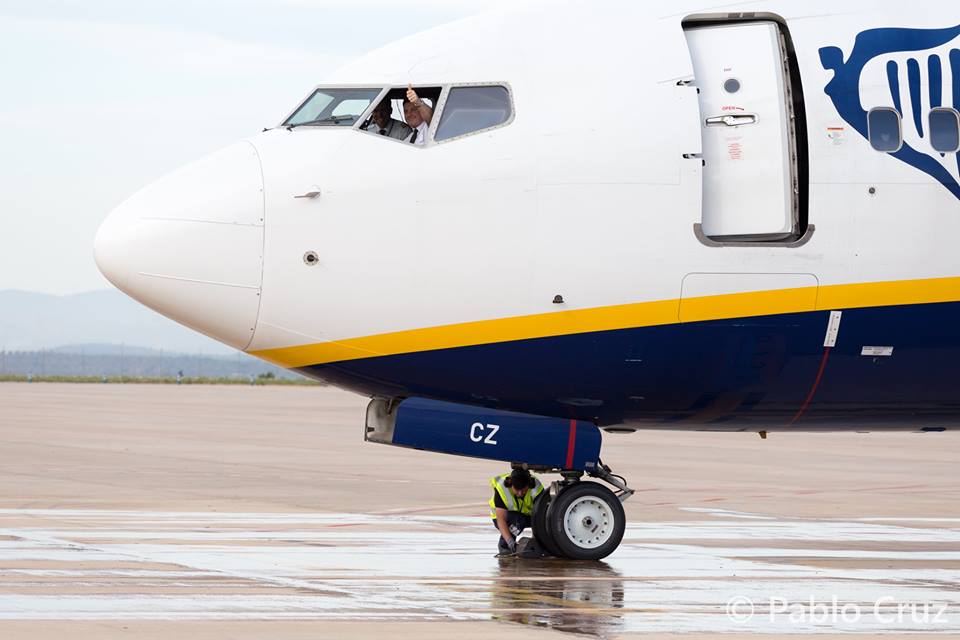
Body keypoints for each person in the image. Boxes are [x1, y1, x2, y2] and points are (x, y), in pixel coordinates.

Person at [489, 468, 544, 555]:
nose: (520, 493)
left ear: (529, 485)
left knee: (540, 520)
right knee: (518, 521)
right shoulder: (502, 489)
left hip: (527, 516)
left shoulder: (536, 489)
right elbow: (501, 519)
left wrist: (536, 541)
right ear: (510, 484)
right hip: (504, 518)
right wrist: (509, 541)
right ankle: (504, 547)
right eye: (517, 490)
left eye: (523, 490)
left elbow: (540, 516)